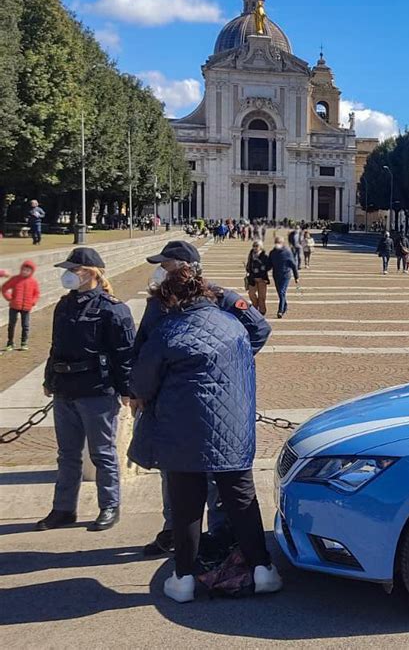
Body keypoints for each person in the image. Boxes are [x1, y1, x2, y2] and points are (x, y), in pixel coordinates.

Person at [128, 258, 282, 603]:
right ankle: (262, 569)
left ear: (169, 298)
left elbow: (140, 382)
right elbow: (259, 330)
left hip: (180, 430)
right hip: (232, 428)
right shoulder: (233, 327)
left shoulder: (167, 330)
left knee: (186, 506)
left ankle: (183, 577)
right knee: (242, 500)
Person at [37, 248, 135, 532]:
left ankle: (109, 506)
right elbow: (55, 347)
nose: (68, 274)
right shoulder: (64, 305)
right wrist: (48, 379)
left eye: (74, 270)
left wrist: (127, 390)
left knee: (102, 453)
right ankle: (63, 509)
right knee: (67, 454)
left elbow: (124, 354)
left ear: (91, 272)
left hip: (97, 390)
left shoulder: (112, 308)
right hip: (65, 389)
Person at [2, 260, 40, 351]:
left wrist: (33, 302)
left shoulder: (33, 282)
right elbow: (4, 287)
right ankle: (10, 342)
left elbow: (36, 293)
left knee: (25, 325)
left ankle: (24, 342)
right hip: (14, 306)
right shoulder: (15, 279)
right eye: (24, 270)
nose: (25, 272)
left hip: (26, 307)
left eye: (27, 270)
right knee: (12, 325)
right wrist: (9, 297)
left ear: (31, 272)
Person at [267, 236, 299, 318]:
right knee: (281, 293)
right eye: (276, 242)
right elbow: (269, 264)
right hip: (276, 275)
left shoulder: (287, 252)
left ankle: (280, 311)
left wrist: (296, 277)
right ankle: (285, 306)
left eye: (279, 242)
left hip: (285, 275)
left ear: (282, 243)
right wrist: (263, 271)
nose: (277, 244)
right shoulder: (272, 252)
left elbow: (293, 265)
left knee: (281, 292)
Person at [245, 240, 270, 315]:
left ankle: (262, 311)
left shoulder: (264, 255)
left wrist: (262, 269)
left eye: (257, 246)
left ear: (261, 247)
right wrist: (248, 269)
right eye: (254, 246)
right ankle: (255, 306)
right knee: (251, 293)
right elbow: (249, 264)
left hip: (262, 278)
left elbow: (268, 266)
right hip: (252, 278)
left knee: (262, 296)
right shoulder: (251, 254)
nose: (255, 247)